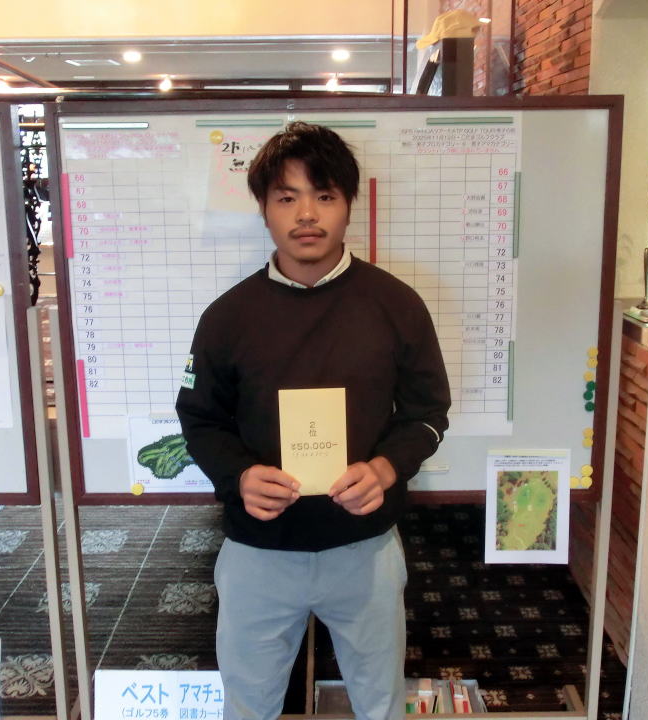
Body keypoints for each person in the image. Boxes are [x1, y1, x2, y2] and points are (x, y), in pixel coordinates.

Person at [175, 121, 450, 720]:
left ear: (349, 204)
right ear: (264, 209)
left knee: (380, 701)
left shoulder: (396, 305)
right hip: (258, 549)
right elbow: (199, 419)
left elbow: (429, 414)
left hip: (365, 548)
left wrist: (386, 468)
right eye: (286, 197)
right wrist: (239, 475)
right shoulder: (227, 317)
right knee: (248, 705)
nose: (306, 214)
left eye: (324, 195)